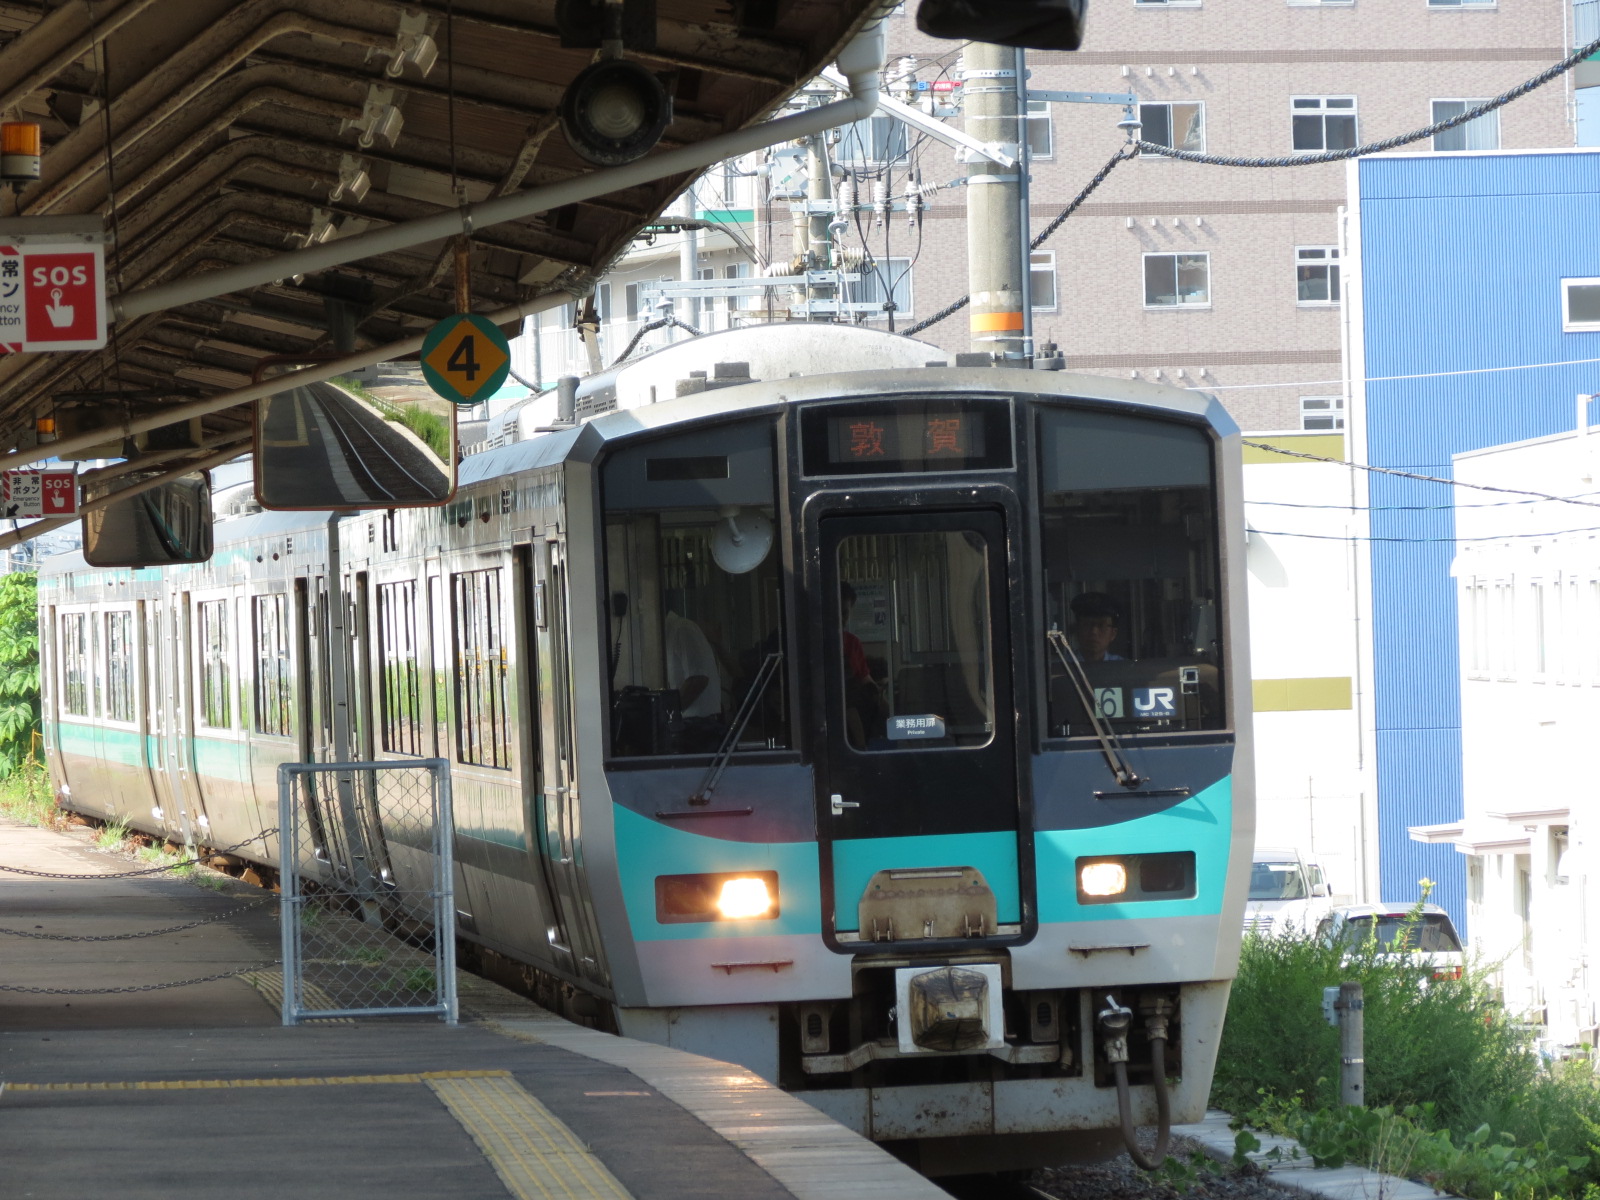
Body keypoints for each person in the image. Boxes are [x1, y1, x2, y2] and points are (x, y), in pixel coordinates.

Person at [664, 607, 721, 719]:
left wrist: (669, 714)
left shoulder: (682, 628)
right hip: (689, 721)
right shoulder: (669, 633)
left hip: (699, 723)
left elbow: (698, 679)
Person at [1070, 592, 1125, 662]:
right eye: (1087, 624)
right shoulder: (1061, 665)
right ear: (1077, 630)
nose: (1094, 632)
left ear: (1113, 634)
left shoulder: (1122, 666)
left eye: (1102, 625)